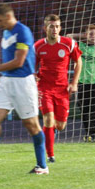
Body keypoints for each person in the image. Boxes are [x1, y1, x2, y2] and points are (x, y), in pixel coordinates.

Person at [0, 3, 49, 175]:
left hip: (23, 83)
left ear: (8, 16)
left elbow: (19, 62)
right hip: (6, 82)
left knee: (32, 125)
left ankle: (42, 166)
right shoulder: (6, 32)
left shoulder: (23, 32)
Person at [34, 14, 82, 162]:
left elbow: (78, 62)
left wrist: (74, 83)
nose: (54, 29)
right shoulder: (38, 46)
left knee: (60, 126)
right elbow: (31, 65)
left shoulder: (69, 44)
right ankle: (50, 155)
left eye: (57, 26)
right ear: (45, 28)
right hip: (44, 88)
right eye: (51, 26)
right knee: (48, 119)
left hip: (62, 89)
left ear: (60, 28)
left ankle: (51, 132)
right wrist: (33, 76)